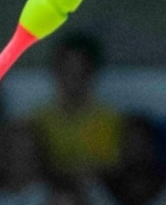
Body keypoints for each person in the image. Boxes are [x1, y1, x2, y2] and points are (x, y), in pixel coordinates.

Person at [32, 34, 122, 178]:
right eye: (67, 69)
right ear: (56, 71)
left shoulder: (111, 120)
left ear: (91, 72)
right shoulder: (36, 120)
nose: (73, 76)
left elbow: (113, 168)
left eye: (81, 69)